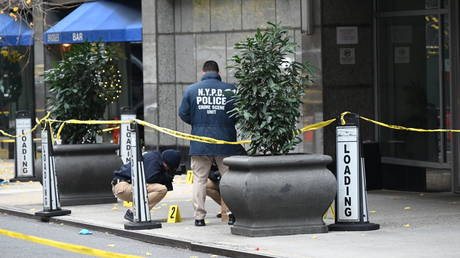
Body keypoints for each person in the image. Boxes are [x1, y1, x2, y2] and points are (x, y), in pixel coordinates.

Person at [179, 60, 244, 226]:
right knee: (228, 178)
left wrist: (198, 124)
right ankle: (231, 214)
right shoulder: (230, 90)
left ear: (203, 72)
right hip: (226, 140)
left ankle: (199, 217)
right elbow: (238, 113)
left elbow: (183, 114)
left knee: (199, 179)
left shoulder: (191, 90)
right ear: (218, 72)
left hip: (200, 141)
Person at [111, 149, 181, 222]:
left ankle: (138, 213)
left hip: (125, 185)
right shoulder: (154, 160)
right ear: (166, 164)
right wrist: (168, 176)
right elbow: (150, 178)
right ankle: (134, 213)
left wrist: (168, 176)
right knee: (161, 189)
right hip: (123, 186)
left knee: (161, 188)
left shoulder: (156, 158)